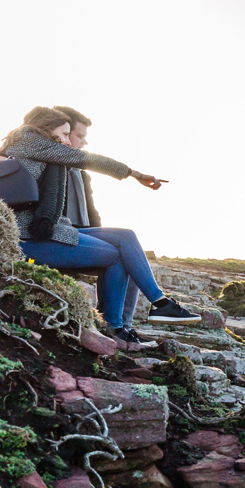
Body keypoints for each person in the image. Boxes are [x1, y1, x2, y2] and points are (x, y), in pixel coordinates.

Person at [0, 107, 200, 337]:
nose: (67, 140)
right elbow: (89, 160)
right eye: (64, 134)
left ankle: (159, 304)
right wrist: (134, 174)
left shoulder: (33, 147)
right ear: (47, 129)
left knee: (126, 236)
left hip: (48, 231)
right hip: (30, 238)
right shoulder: (33, 143)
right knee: (116, 255)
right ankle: (114, 327)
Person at [52, 105, 164, 347]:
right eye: (79, 136)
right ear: (62, 131)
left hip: (84, 235)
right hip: (60, 239)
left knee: (132, 252)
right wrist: (134, 173)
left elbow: (93, 214)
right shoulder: (50, 165)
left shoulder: (81, 174)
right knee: (122, 253)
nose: (83, 143)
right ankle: (115, 326)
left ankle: (124, 327)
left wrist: (102, 237)